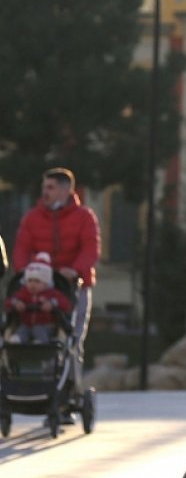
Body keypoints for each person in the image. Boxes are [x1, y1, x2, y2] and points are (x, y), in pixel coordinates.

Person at [12, 168, 101, 395]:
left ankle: (71, 392)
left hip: (74, 287)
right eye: (44, 187)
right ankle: (31, 386)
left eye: (50, 187)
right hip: (39, 287)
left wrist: (76, 270)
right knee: (33, 338)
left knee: (72, 341)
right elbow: (22, 248)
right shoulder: (32, 218)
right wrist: (25, 272)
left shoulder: (84, 217)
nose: (45, 192)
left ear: (65, 190)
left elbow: (91, 248)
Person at [4, 252, 72, 343]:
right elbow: (9, 301)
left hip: (46, 325)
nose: (33, 284)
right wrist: (16, 303)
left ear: (45, 283)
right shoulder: (23, 293)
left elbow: (66, 304)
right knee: (22, 330)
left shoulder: (52, 294)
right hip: (26, 324)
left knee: (38, 330)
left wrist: (52, 304)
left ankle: (40, 343)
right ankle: (17, 341)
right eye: (30, 280)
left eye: (37, 281)